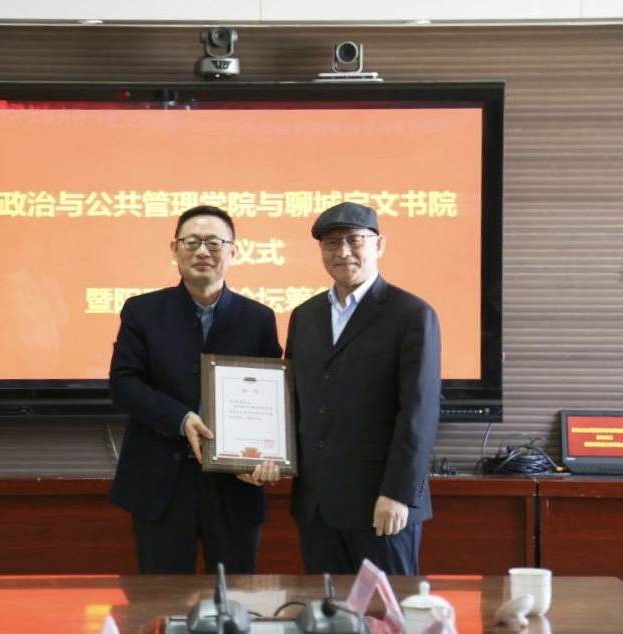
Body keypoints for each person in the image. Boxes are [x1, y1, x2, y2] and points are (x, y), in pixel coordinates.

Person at [109, 205, 282, 574]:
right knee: (164, 598)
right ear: (175, 249)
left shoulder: (258, 319)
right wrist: (181, 418)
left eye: (214, 243)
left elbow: (272, 398)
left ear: (233, 252)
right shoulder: (142, 311)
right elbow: (124, 384)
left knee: (236, 598)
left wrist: (265, 457)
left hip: (235, 485)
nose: (203, 251)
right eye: (192, 242)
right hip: (161, 483)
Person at [286, 201, 441, 575]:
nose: (342, 252)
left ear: (379, 245)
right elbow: (293, 401)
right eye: (331, 243)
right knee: (326, 607)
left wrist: (398, 493)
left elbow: (419, 413)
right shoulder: (305, 316)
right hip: (317, 505)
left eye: (354, 240)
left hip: (381, 504)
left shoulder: (412, 314)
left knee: (384, 607)